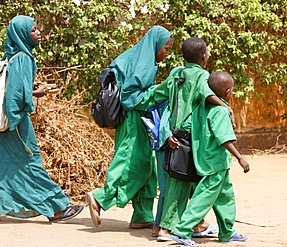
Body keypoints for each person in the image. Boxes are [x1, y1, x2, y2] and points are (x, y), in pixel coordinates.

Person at [0, 15, 83, 223]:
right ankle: (56, 208)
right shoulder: (24, 58)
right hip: (15, 122)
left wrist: (31, 87)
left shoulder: (11, 55)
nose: (38, 33)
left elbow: (14, 86)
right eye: (34, 30)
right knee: (31, 161)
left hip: (4, 122)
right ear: (22, 34)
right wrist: (34, 96)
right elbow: (16, 96)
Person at [85, 26, 174, 229]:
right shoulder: (144, 64)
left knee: (146, 166)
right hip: (133, 119)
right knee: (130, 163)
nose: (166, 54)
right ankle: (100, 197)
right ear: (157, 45)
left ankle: (142, 215)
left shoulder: (137, 57)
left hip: (136, 119)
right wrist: (161, 91)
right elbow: (131, 96)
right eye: (166, 49)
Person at [152, 37, 236, 240]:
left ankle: (192, 224)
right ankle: (169, 228)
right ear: (203, 56)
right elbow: (207, 94)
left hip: (175, 134)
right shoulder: (202, 76)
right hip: (191, 138)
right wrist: (228, 108)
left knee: (183, 182)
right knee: (185, 184)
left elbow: (159, 94)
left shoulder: (177, 74)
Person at [170, 71, 250, 247]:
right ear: (227, 92)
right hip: (215, 163)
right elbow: (224, 139)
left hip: (206, 160)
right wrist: (240, 157)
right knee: (203, 197)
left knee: (225, 197)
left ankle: (227, 232)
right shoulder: (220, 111)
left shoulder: (199, 108)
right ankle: (182, 231)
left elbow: (187, 126)